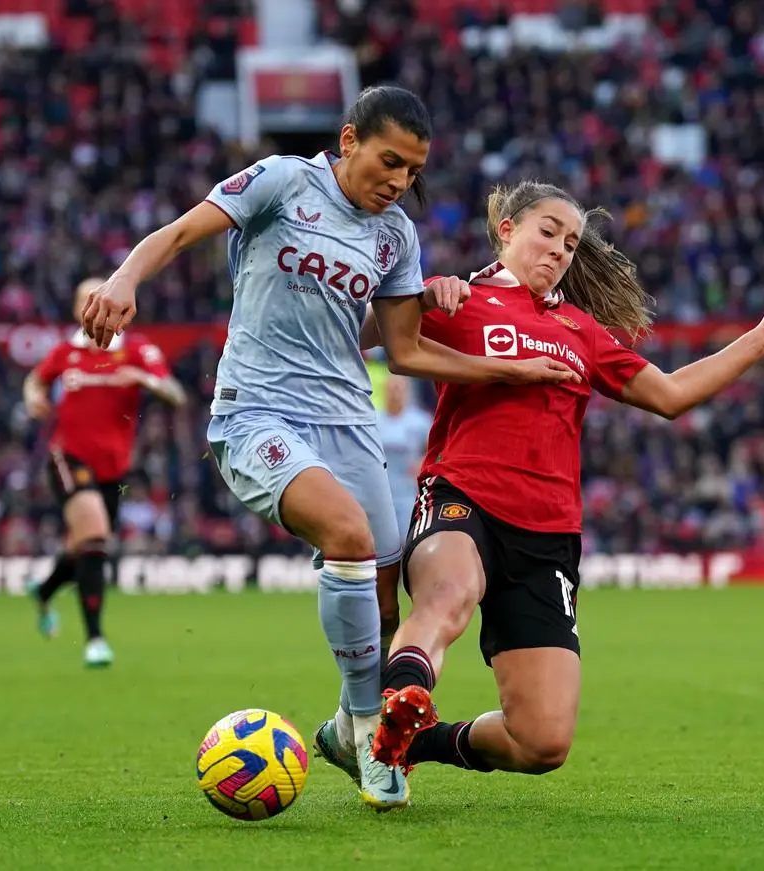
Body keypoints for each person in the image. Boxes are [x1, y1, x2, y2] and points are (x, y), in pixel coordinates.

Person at [78, 86, 576, 810]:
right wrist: (125, 278)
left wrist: (505, 366)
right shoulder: (282, 181)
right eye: (388, 161)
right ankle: (374, 728)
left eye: (412, 170)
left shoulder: (394, 235)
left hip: (348, 419)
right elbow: (180, 232)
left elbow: (404, 352)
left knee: (384, 588)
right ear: (349, 141)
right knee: (345, 535)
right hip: (258, 411)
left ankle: (347, 731)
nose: (398, 180)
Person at [349, 180, 764, 778]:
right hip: (464, 496)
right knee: (448, 594)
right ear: (507, 229)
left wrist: (757, 340)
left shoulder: (581, 331)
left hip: (548, 533)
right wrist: (420, 302)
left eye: (570, 243)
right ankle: (392, 705)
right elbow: (356, 339)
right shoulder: (462, 302)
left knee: (541, 743)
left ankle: (413, 741)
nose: (561, 250)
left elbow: (669, 395)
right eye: (549, 232)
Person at [22, 277, 185, 668]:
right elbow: (35, 380)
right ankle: (95, 640)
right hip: (68, 457)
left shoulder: (137, 351)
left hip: (114, 469)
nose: (94, 307)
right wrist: (33, 397)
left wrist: (144, 380)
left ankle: (44, 591)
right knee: (94, 535)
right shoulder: (65, 352)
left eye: (100, 298)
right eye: (85, 301)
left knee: (87, 546)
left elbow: (176, 395)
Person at [376, 375, 432, 546]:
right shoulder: (373, 420)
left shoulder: (421, 421)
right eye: (391, 388)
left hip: (409, 491)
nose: (395, 393)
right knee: (382, 544)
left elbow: (434, 450)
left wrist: (422, 462)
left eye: (399, 388)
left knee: (408, 540)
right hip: (381, 490)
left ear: (407, 391)